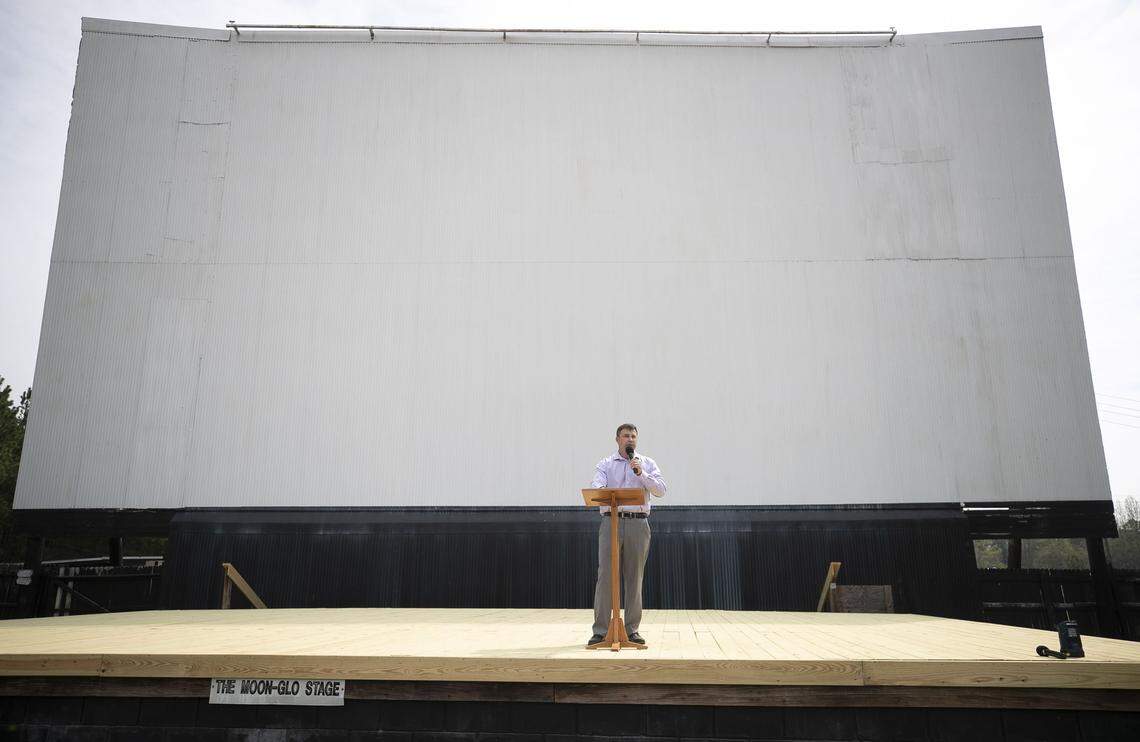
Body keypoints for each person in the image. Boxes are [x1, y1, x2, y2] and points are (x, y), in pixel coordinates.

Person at [587, 423, 667, 646]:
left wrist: (641, 474)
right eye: (625, 436)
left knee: (635, 578)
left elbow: (660, 490)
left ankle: (632, 630)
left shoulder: (647, 463)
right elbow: (597, 488)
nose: (630, 439)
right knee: (606, 577)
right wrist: (605, 490)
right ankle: (601, 630)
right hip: (610, 522)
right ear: (617, 439)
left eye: (633, 436)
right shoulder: (605, 464)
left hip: (638, 525)